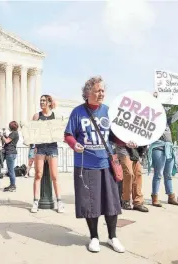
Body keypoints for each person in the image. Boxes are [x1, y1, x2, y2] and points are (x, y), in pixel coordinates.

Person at [64, 76, 137, 253]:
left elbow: (114, 136)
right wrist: (75, 144)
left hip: (106, 163)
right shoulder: (77, 112)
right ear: (88, 92)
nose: (102, 93)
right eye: (98, 90)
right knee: (91, 204)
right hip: (86, 165)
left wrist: (127, 141)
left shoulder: (109, 111)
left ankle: (113, 237)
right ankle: (94, 237)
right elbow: (68, 135)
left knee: (112, 203)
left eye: (103, 90)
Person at [148, 93, 178, 207]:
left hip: (169, 148)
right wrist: (154, 99)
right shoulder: (152, 121)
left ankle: (171, 196)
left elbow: (176, 116)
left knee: (168, 174)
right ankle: (154, 197)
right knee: (158, 174)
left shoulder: (167, 122)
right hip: (158, 147)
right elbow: (150, 108)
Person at [31, 95, 64, 213]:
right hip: (40, 147)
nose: (42, 102)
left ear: (49, 103)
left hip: (52, 147)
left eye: (44, 100)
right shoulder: (36, 116)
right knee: (38, 175)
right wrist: (32, 147)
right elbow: (32, 132)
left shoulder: (55, 116)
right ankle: (35, 201)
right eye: (40, 100)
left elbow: (60, 130)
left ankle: (59, 201)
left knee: (54, 175)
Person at [116, 139, 149, 212]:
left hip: (135, 150)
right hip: (122, 147)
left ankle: (138, 202)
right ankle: (125, 200)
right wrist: (124, 142)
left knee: (138, 174)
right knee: (129, 173)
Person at [2, 121, 19, 192]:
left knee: (11, 170)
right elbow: (9, 140)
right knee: (10, 169)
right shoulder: (15, 133)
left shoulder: (13, 133)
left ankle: (13, 185)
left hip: (10, 152)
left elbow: (6, 141)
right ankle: (12, 184)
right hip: (12, 152)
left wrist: (2, 136)